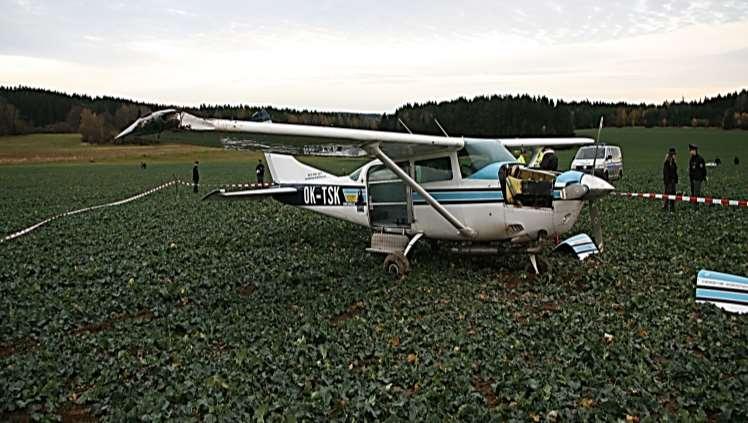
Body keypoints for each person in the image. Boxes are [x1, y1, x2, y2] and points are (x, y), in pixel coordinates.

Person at [663, 147, 678, 212]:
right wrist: (668, 182)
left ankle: (670, 208)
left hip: (672, 182)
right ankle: (667, 207)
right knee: (669, 195)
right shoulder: (667, 163)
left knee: (671, 195)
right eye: (674, 155)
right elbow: (666, 173)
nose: (675, 156)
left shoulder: (673, 163)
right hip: (669, 182)